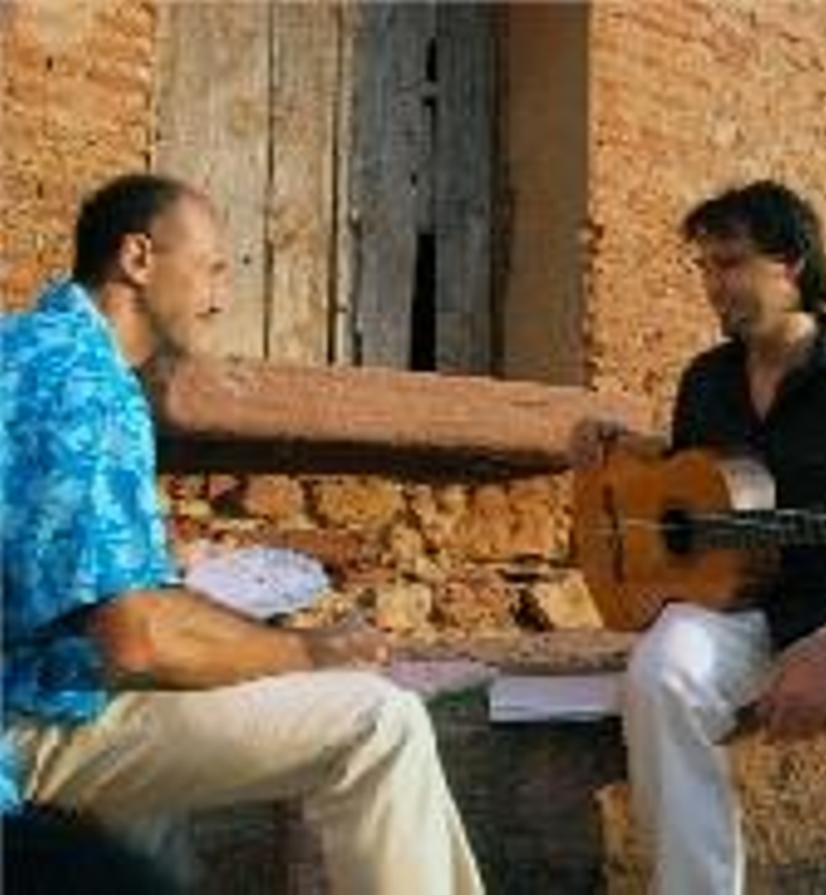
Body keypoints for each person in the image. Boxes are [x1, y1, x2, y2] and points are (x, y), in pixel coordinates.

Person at [1, 173, 483, 894]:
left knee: (154, 798)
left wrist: (173, 577)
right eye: (213, 267)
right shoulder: (86, 385)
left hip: (38, 683)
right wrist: (307, 650)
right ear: (137, 258)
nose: (222, 296)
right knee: (380, 722)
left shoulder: (29, 347)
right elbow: (134, 638)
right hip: (28, 719)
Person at [571, 181, 826, 895]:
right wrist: (616, 445)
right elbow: (698, 477)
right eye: (704, 267)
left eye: (731, 263)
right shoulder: (706, 379)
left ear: (792, 263)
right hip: (729, 606)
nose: (713, 285)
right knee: (658, 677)